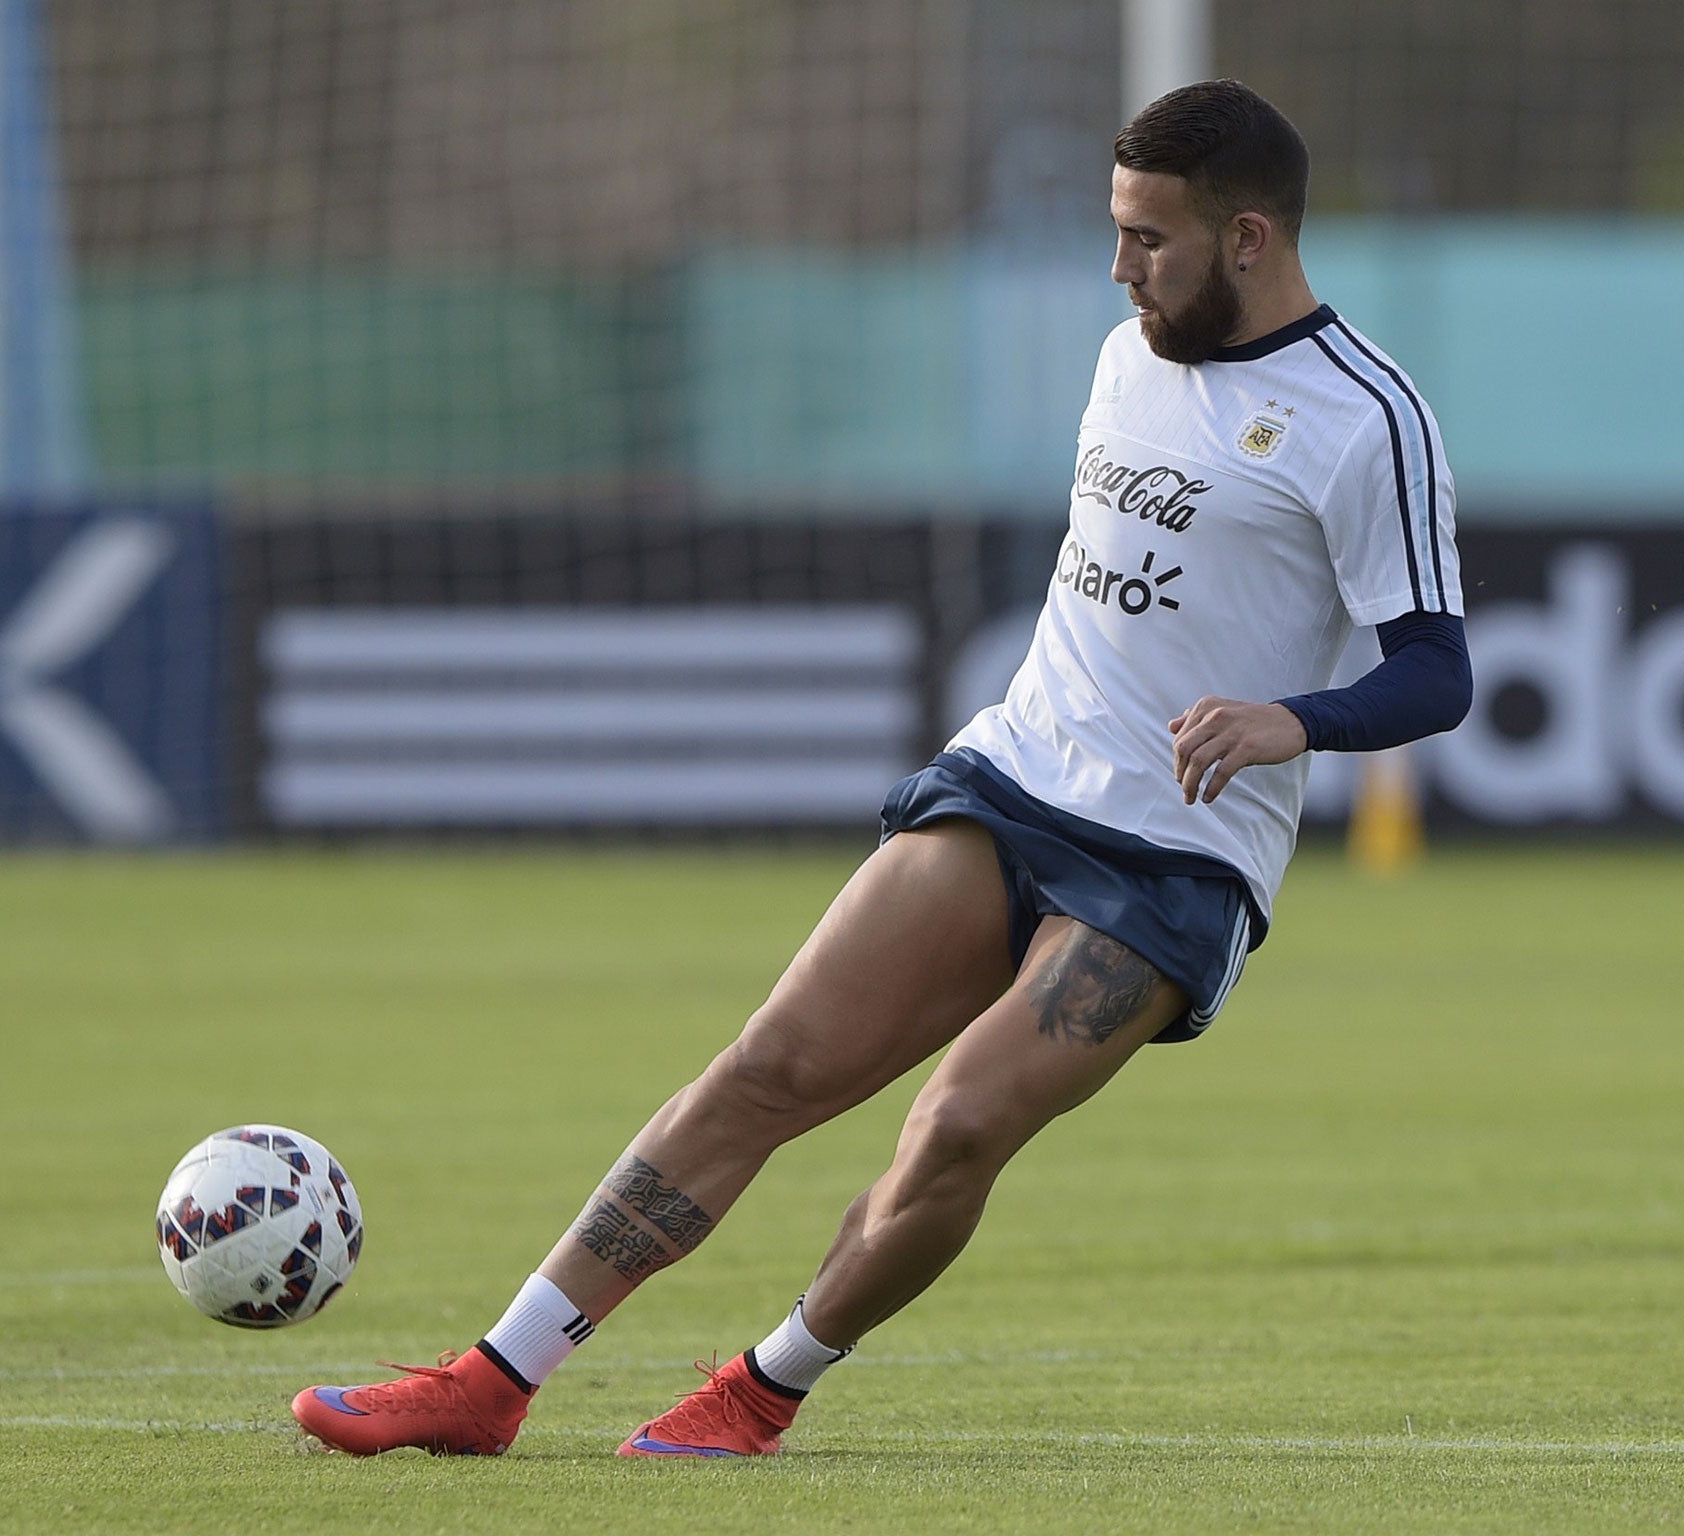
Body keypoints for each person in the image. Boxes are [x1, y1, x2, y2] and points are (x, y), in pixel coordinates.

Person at [290, 78, 1473, 1459]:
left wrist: (1294, 720)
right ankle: (495, 1380)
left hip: (1174, 861)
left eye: (1151, 238)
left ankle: (764, 1386)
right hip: (1016, 780)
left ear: (1252, 238)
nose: (1120, 265)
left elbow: (1437, 671)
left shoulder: (1368, 420)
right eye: (1116, 231)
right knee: (770, 1065)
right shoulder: (1125, 352)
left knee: (959, 1126)